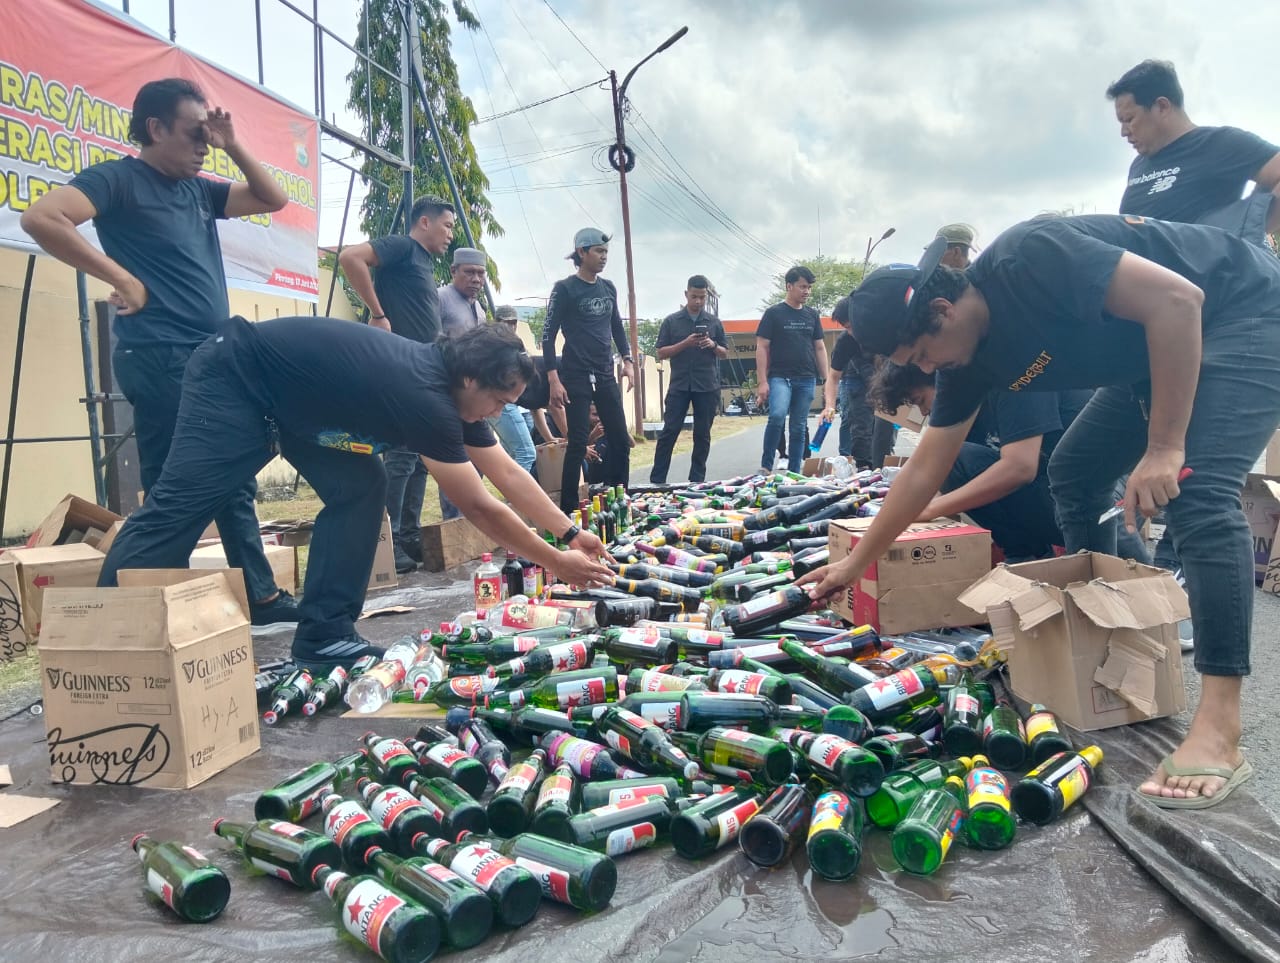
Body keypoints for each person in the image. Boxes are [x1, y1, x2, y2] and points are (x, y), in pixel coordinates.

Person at [800, 216, 1280, 810]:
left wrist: (1163, 447)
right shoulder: (966, 362)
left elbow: (1179, 300)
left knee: (1198, 494)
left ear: (944, 309)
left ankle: (1220, 726)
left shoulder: (1030, 257)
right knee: (1074, 473)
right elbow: (922, 470)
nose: (924, 370)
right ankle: (1104, 634)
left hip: (1242, 312)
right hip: (1145, 357)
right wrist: (855, 565)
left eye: (922, 354)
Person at [97, 320, 613, 670]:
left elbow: (508, 474)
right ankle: (99, 640)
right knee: (183, 504)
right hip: (235, 375)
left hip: (296, 407)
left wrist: (570, 533)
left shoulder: (458, 394)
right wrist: (555, 562)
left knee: (363, 487)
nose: (498, 413)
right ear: (471, 378)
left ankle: (324, 636)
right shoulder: (427, 397)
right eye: (498, 400)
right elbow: (480, 505)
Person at [20, 77, 297, 627]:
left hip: (208, 356)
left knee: (225, 475)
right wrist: (120, 277)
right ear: (155, 128)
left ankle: (254, 598)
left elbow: (273, 198)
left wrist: (232, 143)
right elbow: (41, 217)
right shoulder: (119, 180)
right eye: (195, 134)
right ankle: (116, 615)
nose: (204, 146)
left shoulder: (197, 190)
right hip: (163, 354)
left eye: (208, 137)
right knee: (182, 490)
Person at [866, 362, 1150, 562]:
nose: (925, 412)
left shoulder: (1016, 375)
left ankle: (1154, 589)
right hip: (1052, 491)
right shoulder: (968, 407)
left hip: (1100, 491)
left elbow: (1020, 468)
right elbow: (933, 465)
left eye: (921, 400)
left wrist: (931, 509)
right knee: (956, 460)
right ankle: (1027, 555)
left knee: (1109, 540)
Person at [339, 195, 455, 574]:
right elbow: (350, 257)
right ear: (425, 222)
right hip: (400, 368)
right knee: (402, 457)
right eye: (447, 226)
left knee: (420, 459)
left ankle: (408, 536)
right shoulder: (404, 247)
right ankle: (386, 542)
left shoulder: (424, 263)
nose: (450, 234)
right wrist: (378, 314)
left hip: (423, 369)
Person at [1107, 59, 1280, 241]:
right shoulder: (1138, 165)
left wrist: (1248, 232)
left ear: (1162, 107)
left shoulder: (1219, 143)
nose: (1123, 132)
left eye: (1129, 119)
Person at [543, 228, 635, 512]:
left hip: (605, 372)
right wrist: (553, 379)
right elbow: (548, 336)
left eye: (606, 252)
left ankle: (619, 500)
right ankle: (570, 510)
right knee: (578, 442)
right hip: (576, 374)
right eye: (598, 251)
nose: (604, 257)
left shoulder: (608, 288)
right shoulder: (565, 289)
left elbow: (617, 327)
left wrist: (628, 361)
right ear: (582, 253)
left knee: (620, 439)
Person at [650, 275, 728, 484]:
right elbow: (661, 352)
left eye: (702, 297)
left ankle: (697, 481)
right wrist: (685, 343)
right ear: (686, 294)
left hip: (707, 386)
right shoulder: (671, 321)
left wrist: (712, 345)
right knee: (669, 432)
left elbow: (724, 353)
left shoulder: (714, 322)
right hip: (680, 385)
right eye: (694, 296)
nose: (698, 301)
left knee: (702, 435)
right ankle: (657, 481)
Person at [756, 266, 829, 473]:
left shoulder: (812, 315)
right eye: (802, 286)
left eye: (809, 287)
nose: (807, 291)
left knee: (798, 426)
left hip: (806, 378)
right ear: (789, 286)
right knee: (777, 415)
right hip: (780, 377)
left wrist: (827, 380)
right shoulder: (773, 313)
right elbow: (762, 346)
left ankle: (795, 472)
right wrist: (762, 381)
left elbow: (819, 347)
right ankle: (766, 466)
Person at [821, 297, 877, 467]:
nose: (852, 332)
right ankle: (863, 466)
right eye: (847, 328)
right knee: (860, 426)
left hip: (884, 376)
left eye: (853, 326)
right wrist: (829, 406)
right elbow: (833, 377)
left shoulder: (882, 328)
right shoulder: (845, 341)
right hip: (856, 379)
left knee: (884, 428)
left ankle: (882, 461)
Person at [487, 304, 539, 477]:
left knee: (517, 453)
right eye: (506, 322)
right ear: (497, 322)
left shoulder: (517, 344)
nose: (511, 326)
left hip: (522, 405)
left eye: (513, 322)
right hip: (504, 403)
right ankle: (520, 493)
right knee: (527, 453)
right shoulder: (493, 345)